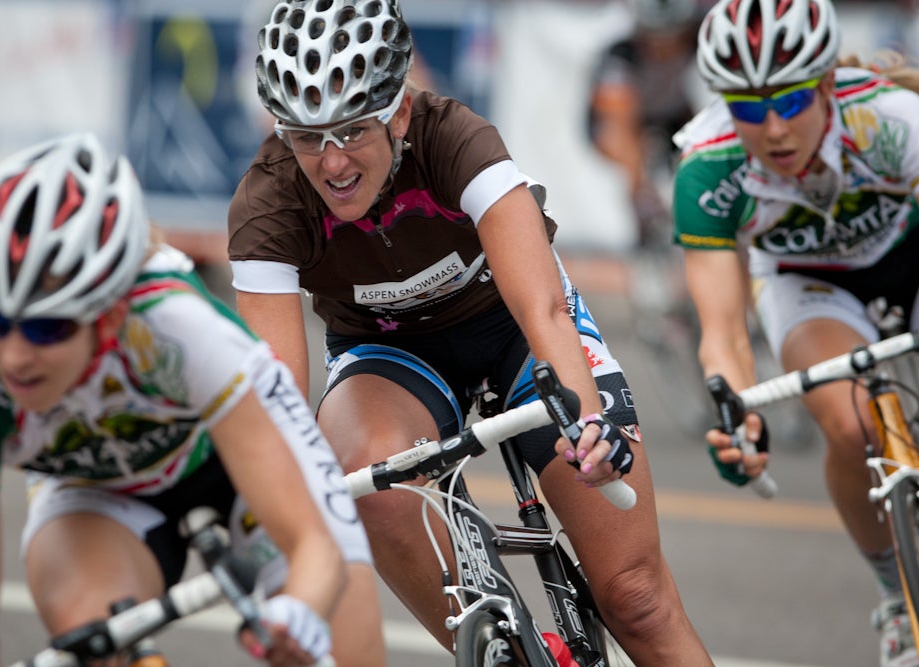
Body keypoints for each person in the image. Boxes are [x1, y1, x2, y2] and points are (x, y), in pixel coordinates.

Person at [228, 0, 714, 663]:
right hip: (390, 356)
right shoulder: (269, 201)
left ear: (399, 112)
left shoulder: (456, 137)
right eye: (307, 136)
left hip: (511, 327)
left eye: (351, 130)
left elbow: (543, 310)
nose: (332, 162)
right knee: (362, 477)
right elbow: (276, 391)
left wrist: (588, 418)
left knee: (637, 598)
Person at [0, 132, 386, 667]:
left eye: (48, 329)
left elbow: (314, 549)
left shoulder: (178, 329)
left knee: (336, 645)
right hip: (99, 492)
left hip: (227, 460)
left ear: (111, 316)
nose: (14, 356)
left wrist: (300, 612)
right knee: (93, 632)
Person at [673, 0, 919, 664]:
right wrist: (737, 412)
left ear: (827, 84)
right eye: (750, 109)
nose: (773, 128)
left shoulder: (894, 122)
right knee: (850, 422)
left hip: (907, 250)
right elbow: (723, 329)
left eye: (789, 101)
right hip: (811, 283)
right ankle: (897, 596)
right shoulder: (709, 166)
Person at [587, 0, 711, 247]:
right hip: (622, 118)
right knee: (624, 139)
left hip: (672, 113)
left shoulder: (700, 38)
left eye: (671, 39)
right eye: (653, 40)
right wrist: (640, 184)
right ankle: (644, 215)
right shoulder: (620, 55)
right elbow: (616, 118)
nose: (662, 48)